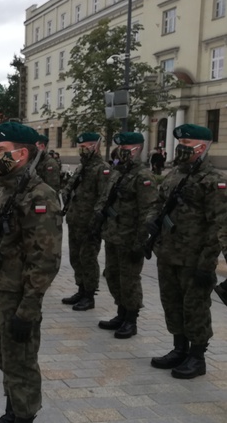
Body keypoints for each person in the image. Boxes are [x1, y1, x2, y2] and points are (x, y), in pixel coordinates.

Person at [0, 122, 62, 423]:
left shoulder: (40, 196)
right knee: (5, 358)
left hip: (18, 296)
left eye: (1, 150)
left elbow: (46, 260)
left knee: (21, 362)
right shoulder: (5, 186)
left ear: (22, 154)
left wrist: (29, 308)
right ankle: (12, 414)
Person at [147, 124, 227, 379]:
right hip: (168, 252)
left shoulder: (214, 180)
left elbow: (220, 224)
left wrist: (207, 263)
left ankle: (197, 356)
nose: (181, 147)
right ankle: (178, 348)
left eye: (187, 142)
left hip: (195, 258)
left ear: (201, 147)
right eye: (180, 142)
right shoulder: (174, 174)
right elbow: (158, 203)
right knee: (171, 303)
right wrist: (151, 221)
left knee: (195, 307)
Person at [94, 132, 157, 339]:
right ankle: (121, 313)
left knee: (129, 279)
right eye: (120, 148)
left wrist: (141, 242)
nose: (122, 152)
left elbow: (148, 211)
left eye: (126, 149)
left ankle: (131, 319)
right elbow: (106, 198)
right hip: (113, 234)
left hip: (130, 238)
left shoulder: (143, 176)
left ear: (138, 149)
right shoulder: (117, 172)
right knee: (112, 276)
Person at [60, 132, 110, 311]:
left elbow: (104, 198)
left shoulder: (101, 169)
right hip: (75, 221)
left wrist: (96, 223)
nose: (82, 150)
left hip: (90, 224)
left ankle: (89, 295)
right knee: (76, 258)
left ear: (95, 147)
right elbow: (69, 187)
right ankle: (81, 289)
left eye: (85, 147)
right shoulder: (83, 167)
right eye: (80, 147)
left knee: (88, 259)